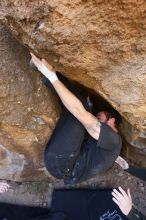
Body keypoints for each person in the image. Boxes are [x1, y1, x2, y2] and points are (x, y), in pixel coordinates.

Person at [30, 53, 122, 184]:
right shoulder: (106, 147)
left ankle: (46, 73)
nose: (97, 117)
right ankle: (48, 73)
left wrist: (51, 75)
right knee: (83, 103)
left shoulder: (114, 140)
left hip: (63, 163)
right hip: (63, 161)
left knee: (82, 109)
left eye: (99, 116)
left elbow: (80, 113)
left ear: (112, 121)